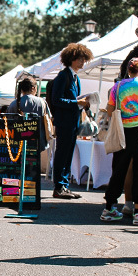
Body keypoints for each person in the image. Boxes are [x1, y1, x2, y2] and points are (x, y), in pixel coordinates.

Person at [100, 58, 138, 225]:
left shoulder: (118, 86)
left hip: (123, 132)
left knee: (119, 169)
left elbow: (109, 109)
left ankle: (109, 207)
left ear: (128, 70)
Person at [50, 43, 93, 199]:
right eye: (80, 59)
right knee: (62, 154)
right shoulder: (63, 76)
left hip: (72, 123)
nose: (82, 62)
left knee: (68, 155)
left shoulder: (75, 78)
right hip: (64, 123)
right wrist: (77, 103)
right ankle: (58, 187)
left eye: (83, 59)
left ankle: (64, 186)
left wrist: (83, 103)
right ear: (71, 59)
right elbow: (56, 100)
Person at [8, 75, 50, 147]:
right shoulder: (41, 102)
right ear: (33, 88)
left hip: (18, 145)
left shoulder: (13, 104)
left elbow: (8, 123)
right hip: (39, 144)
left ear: (21, 89)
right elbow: (48, 119)